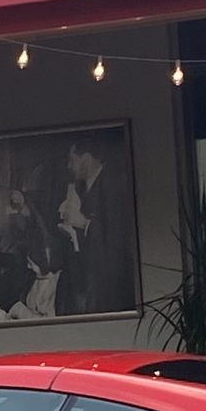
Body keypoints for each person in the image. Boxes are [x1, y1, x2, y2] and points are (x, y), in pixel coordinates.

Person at [52, 134, 134, 316]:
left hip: (108, 281)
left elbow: (116, 236)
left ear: (86, 158)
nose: (68, 166)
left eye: (71, 159)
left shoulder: (112, 184)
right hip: (88, 277)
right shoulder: (80, 188)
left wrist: (81, 223)